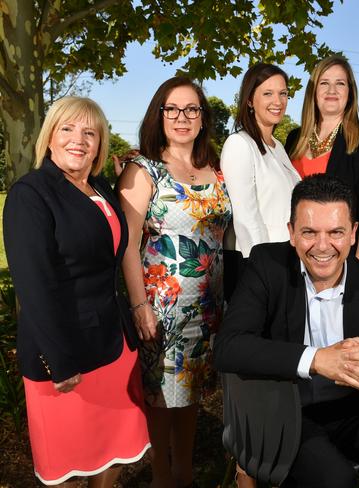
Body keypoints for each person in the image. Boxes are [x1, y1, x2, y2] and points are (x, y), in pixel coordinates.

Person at [214, 174, 359, 488]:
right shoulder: (267, 265)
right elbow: (229, 347)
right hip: (285, 411)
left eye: (336, 232)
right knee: (336, 481)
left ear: (353, 234)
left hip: (351, 411)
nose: (322, 246)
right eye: (309, 232)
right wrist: (317, 359)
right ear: (291, 233)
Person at [3, 97, 149, 486]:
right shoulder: (30, 194)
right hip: (66, 355)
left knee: (115, 455)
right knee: (67, 469)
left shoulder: (99, 187)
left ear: (101, 143)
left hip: (113, 346)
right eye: (67, 129)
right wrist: (60, 360)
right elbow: (34, 286)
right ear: (49, 136)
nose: (78, 140)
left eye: (90, 132)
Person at [117, 76, 231, 487]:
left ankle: (183, 470)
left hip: (208, 306)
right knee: (161, 398)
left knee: (192, 395)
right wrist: (138, 304)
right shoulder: (142, 168)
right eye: (173, 109)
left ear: (203, 118)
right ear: (159, 115)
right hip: (161, 307)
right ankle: (162, 478)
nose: (182, 117)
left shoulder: (214, 167)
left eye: (192, 109)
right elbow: (126, 244)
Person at [285, 55, 359, 263]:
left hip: (338, 258)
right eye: (324, 83)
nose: (332, 90)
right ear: (313, 91)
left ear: (350, 92)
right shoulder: (294, 139)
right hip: (292, 254)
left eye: (340, 83)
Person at [221, 63, 301, 260]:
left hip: (289, 256)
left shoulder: (278, 147)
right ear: (249, 100)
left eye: (283, 94)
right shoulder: (239, 144)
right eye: (268, 94)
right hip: (261, 262)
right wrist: (263, 265)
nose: (278, 101)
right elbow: (246, 217)